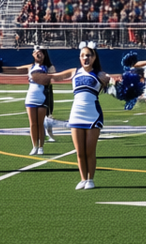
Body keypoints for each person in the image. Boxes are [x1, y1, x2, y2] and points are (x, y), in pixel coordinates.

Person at [45, 42, 113, 190]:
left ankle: (90, 179)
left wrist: (115, 84)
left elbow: (114, 87)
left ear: (94, 57)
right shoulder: (74, 72)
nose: (85, 58)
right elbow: (55, 77)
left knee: (89, 150)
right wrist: (40, 75)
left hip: (92, 114)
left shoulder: (100, 74)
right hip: (76, 114)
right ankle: (83, 179)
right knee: (80, 152)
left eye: (88, 55)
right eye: (82, 55)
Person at [0, 46, 57, 155]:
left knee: (40, 124)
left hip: (42, 97)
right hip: (31, 97)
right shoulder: (30, 67)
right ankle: (34, 146)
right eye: (36, 52)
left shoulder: (49, 67)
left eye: (41, 52)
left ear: (44, 55)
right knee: (33, 124)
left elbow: (51, 78)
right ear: (33, 54)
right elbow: (15, 69)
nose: (38, 54)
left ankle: (41, 147)